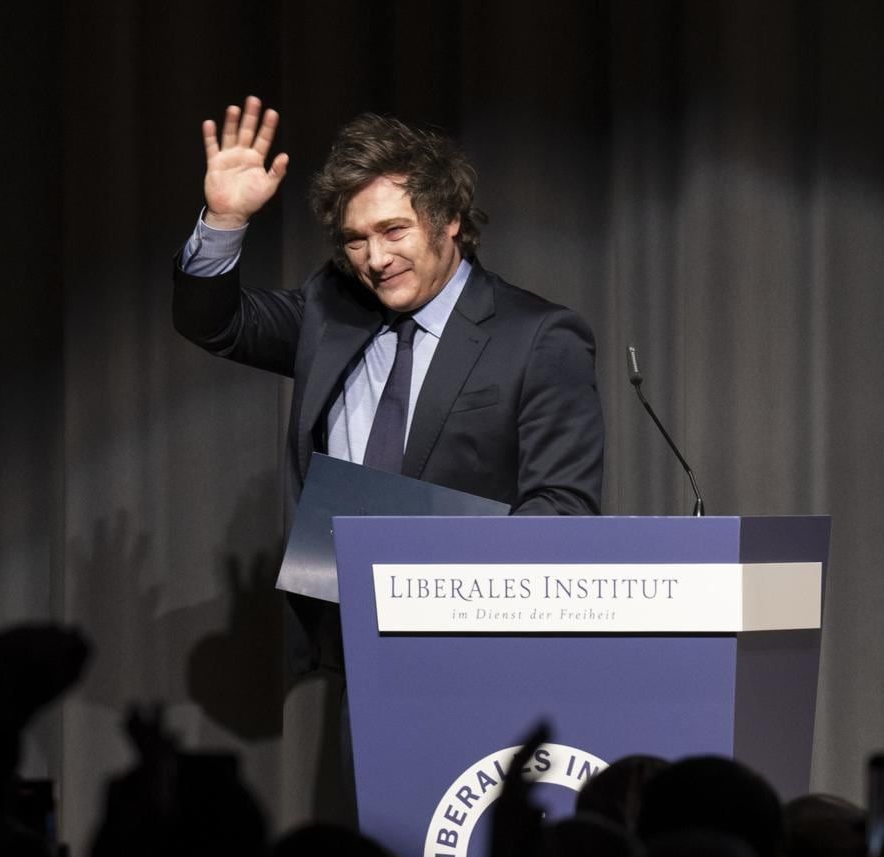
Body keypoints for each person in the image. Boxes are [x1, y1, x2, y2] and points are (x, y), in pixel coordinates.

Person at [173, 97, 607, 677]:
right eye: (356, 240)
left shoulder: (538, 336)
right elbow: (214, 323)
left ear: (448, 218)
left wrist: (444, 593)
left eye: (394, 230)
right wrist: (225, 219)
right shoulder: (332, 311)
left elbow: (562, 507)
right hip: (355, 651)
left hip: (484, 656)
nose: (376, 258)